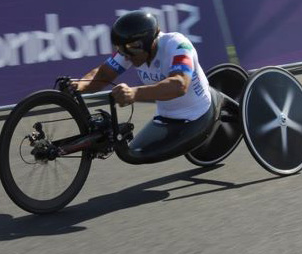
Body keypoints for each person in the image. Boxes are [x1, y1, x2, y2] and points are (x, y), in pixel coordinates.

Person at [72, 10, 223, 162]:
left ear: (149, 42)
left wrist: (134, 93)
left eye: (131, 49)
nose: (126, 56)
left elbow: (179, 85)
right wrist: (79, 85)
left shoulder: (177, 45)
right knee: (129, 153)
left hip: (196, 117)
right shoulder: (130, 50)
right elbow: (103, 75)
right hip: (165, 118)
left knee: (132, 155)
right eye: (121, 49)